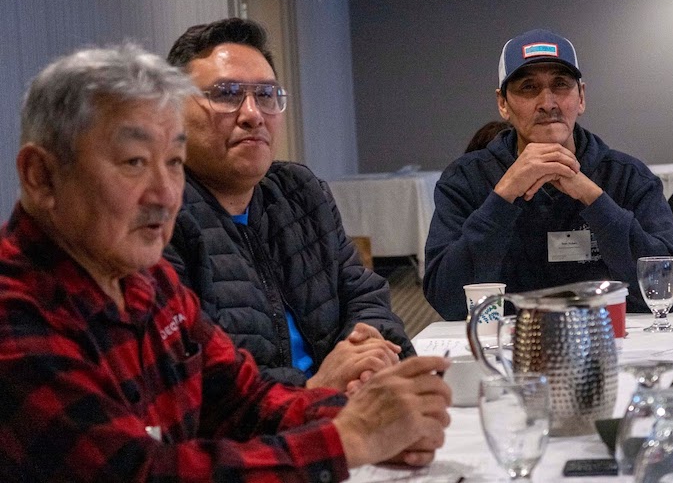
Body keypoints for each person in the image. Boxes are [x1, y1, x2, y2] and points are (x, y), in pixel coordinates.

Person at [0, 43, 451, 480]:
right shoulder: (18, 314)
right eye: (134, 162)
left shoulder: (146, 278)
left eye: (174, 162)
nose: (164, 195)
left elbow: (244, 400)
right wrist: (346, 439)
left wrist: (371, 417)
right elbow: (139, 471)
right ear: (41, 177)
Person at [164, 17, 414, 391]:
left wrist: (367, 357)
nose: (252, 115)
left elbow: (364, 294)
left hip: (347, 407)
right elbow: (190, 378)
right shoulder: (158, 220)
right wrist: (317, 388)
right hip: (259, 437)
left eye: (266, 96)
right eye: (226, 94)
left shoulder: (299, 191)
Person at [424, 29, 673, 320]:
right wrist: (503, 197)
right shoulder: (466, 179)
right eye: (528, 87)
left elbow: (666, 289)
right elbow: (446, 299)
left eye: (560, 85)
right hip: (506, 348)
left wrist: (593, 198)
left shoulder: (627, 177)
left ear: (581, 97)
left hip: (611, 342)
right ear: (503, 104)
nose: (548, 103)